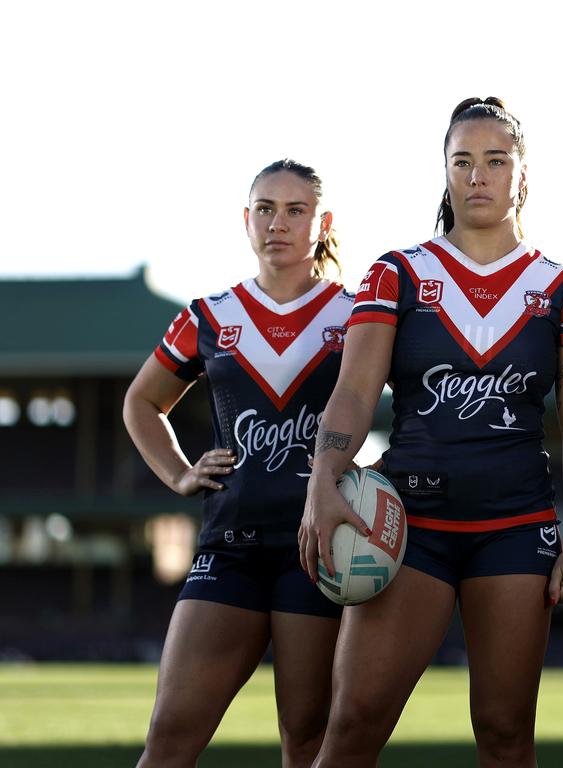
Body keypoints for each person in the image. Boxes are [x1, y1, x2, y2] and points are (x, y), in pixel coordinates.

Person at [299, 97, 563, 768]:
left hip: (516, 528)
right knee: (354, 722)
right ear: (445, 175)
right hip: (411, 527)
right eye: (462, 162)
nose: (478, 176)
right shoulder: (398, 273)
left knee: (503, 735)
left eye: (496, 161)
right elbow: (352, 392)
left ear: (523, 177)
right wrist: (323, 479)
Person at [123, 159, 355, 767]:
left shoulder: (357, 316)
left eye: (296, 210)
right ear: (245, 219)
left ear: (322, 222)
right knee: (169, 736)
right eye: (264, 209)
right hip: (228, 545)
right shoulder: (210, 315)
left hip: (319, 550)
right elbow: (142, 402)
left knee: (306, 741)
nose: (278, 222)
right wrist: (178, 472)